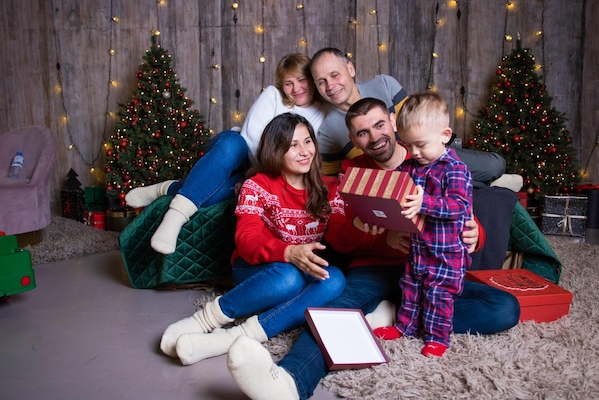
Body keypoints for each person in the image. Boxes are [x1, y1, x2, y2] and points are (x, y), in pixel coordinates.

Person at [226, 97, 521, 400]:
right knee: (332, 314)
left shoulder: (436, 159)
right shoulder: (351, 172)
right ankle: (289, 381)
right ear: (353, 140)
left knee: (504, 308)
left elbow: (463, 210)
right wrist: (381, 237)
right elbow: (338, 237)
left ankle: (401, 313)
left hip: (433, 269)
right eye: (362, 132)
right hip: (373, 270)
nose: (375, 136)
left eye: (380, 125)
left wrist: (477, 234)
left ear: (394, 123)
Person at [160, 113, 377, 365]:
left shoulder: (330, 188)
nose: (305, 151)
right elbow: (247, 241)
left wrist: (358, 225)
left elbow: (340, 239)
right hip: (256, 268)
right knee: (288, 277)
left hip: (302, 267)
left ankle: (239, 335)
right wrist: (288, 252)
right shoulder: (258, 184)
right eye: (293, 145)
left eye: (308, 142)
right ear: (276, 150)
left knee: (334, 279)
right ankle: (206, 319)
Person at [125, 53, 329, 254]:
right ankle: (175, 217)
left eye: (301, 80)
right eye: (288, 83)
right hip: (237, 152)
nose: (296, 88)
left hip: (262, 170)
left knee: (211, 196)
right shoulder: (273, 96)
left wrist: (265, 179)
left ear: (312, 80)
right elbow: (252, 135)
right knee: (233, 144)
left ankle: (168, 188)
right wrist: (270, 171)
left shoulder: (323, 111)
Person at [309, 47, 515, 190]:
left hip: (427, 153)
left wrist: (438, 145)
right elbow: (331, 182)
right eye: (322, 82)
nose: (330, 85)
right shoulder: (327, 130)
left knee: (494, 165)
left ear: (350, 69)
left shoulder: (384, 85)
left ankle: (462, 187)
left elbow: (418, 121)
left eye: (335, 75)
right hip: (394, 178)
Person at [371, 92, 473, 359]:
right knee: (411, 289)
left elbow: (459, 205)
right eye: (408, 145)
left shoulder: (455, 169)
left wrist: (424, 203)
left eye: (421, 145)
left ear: (445, 135)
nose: (414, 152)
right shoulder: (411, 167)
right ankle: (404, 327)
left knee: (438, 296)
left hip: (446, 255)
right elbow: (391, 188)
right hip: (417, 251)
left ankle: (437, 338)